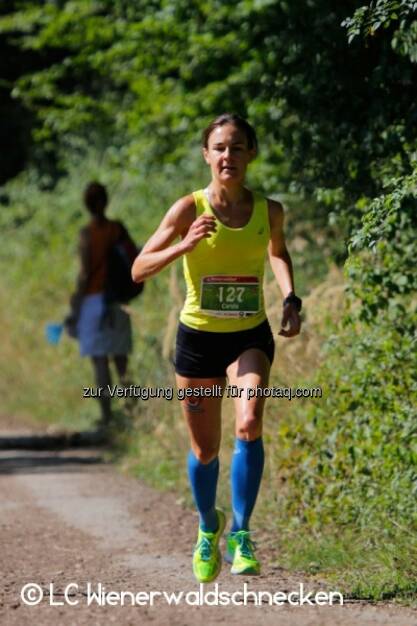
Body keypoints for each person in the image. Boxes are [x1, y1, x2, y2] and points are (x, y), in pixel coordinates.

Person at [131, 113, 301, 583]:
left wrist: (290, 297)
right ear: (207, 155)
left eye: (238, 147)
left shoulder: (270, 211)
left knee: (248, 423)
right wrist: (183, 247)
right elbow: (139, 269)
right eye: (220, 148)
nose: (229, 156)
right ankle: (209, 525)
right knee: (205, 450)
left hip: (249, 334)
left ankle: (241, 535)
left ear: (251, 154)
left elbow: (277, 252)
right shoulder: (188, 209)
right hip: (199, 340)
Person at [66, 182, 135, 429]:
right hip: (117, 301)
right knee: (121, 360)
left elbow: (85, 273)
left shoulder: (87, 233)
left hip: (94, 301)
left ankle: (107, 417)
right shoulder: (118, 229)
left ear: (86, 205)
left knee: (99, 361)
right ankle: (132, 415)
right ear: (105, 201)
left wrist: (75, 306)